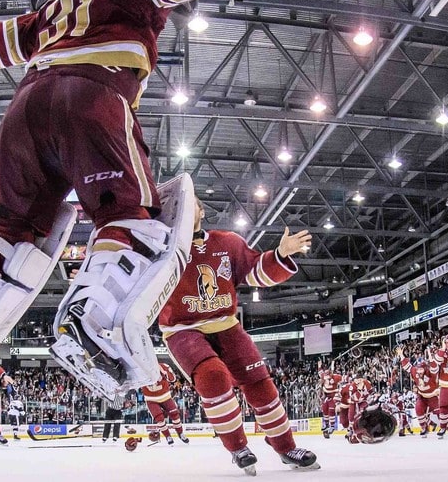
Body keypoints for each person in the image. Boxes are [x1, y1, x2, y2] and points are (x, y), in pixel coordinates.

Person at [0, 0, 273, 401]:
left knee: (13, 230)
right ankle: (93, 322)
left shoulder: (50, 10)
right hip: (93, 94)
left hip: (23, 111)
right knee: (128, 215)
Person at [159, 198, 318, 474]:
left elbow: (254, 273)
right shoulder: (160, 246)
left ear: (202, 211)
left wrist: (280, 254)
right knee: (213, 376)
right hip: (182, 328)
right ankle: (238, 447)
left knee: (260, 383)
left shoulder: (227, 242)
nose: (186, 208)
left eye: (192, 203)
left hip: (226, 324)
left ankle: (285, 446)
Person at [140, 362, 187, 445]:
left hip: (166, 397)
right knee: (160, 419)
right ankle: (168, 436)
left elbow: (173, 379)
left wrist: (165, 372)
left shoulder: (163, 366)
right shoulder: (139, 369)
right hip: (151, 400)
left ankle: (180, 433)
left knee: (175, 415)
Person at [397, 347, 439, 438]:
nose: (419, 371)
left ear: (425, 368)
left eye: (421, 369)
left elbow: (435, 368)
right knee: (418, 409)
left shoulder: (430, 372)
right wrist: (401, 354)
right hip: (422, 396)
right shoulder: (414, 371)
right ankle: (424, 428)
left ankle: (447, 427)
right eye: (418, 369)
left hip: (433, 395)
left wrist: (431, 357)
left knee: (439, 412)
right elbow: (407, 366)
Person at [318, 368, 342, 438]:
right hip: (326, 396)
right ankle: (326, 424)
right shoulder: (323, 376)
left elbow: (342, 379)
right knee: (324, 410)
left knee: (331, 411)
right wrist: (319, 367)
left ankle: (332, 426)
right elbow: (320, 372)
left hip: (333, 395)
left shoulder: (335, 377)